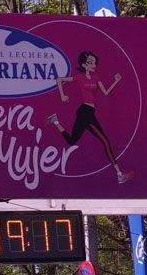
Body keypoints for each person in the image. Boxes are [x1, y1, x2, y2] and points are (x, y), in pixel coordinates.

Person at [46, 50, 133, 183]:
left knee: (71, 141)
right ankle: (119, 174)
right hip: (85, 112)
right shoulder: (80, 77)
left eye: (94, 62)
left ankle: (55, 121)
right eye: (90, 62)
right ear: (84, 64)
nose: (94, 64)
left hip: (88, 112)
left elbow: (106, 92)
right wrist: (62, 95)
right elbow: (59, 79)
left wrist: (116, 81)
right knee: (105, 141)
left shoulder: (96, 77)